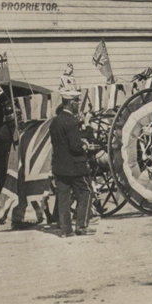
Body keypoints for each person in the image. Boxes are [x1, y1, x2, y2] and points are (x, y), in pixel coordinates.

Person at [49, 86, 93, 236]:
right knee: (86, 192)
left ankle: (66, 230)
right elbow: (75, 146)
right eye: (77, 101)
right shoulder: (71, 122)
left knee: (63, 198)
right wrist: (85, 145)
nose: (78, 104)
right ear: (71, 103)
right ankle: (81, 226)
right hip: (75, 167)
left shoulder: (54, 122)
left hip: (59, 167)